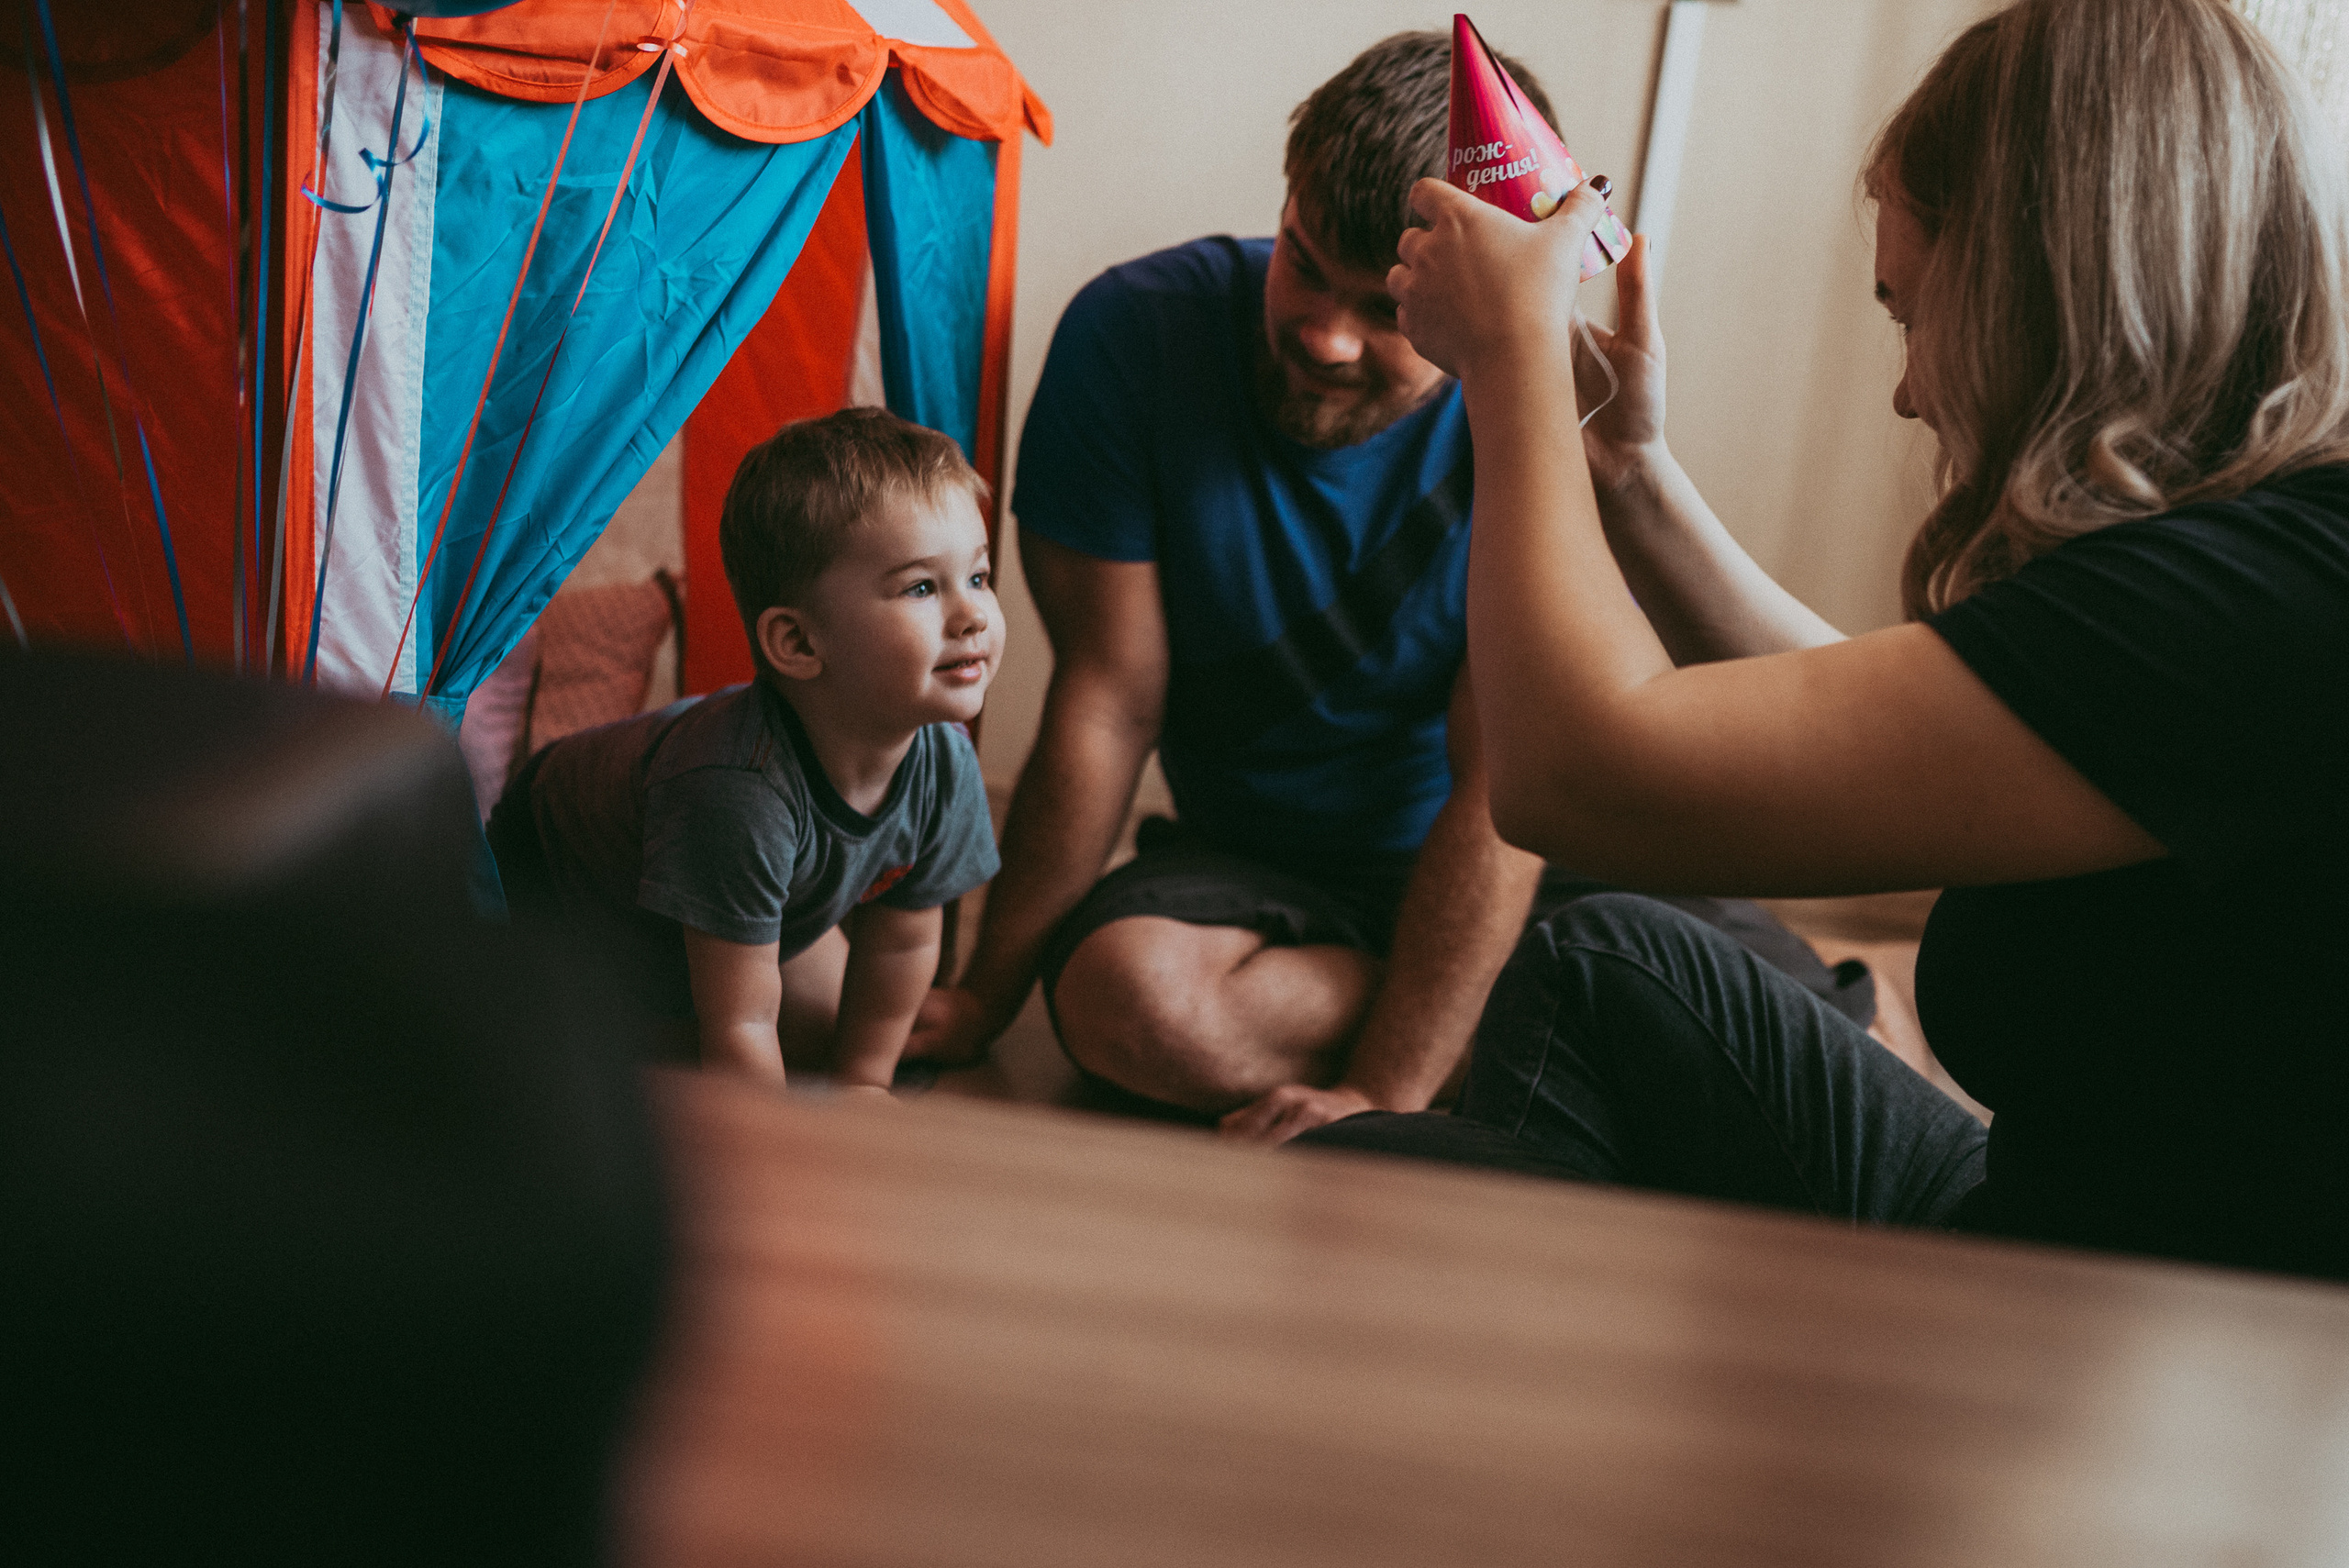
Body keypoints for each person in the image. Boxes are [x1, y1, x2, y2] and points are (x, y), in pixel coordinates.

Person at [1305, 0, 2349, 1280]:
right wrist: (1628, 470)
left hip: (2106, 1334)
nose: (1909, 388)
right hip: (2024, 1213)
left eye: (1908, 316)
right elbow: (1898, 722)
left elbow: (1570, 775)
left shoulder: (2262, 607)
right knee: (1604, 953)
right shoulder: (2255, 547)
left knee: (1359, 1179)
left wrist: (1511, 359)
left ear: (2040, 283)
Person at [910, 29, 1869, 1142]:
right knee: (1126, 1002)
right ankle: (1563, 1040)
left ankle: (1509, 1018)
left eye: (1385, 307)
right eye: (1303, 261)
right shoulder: (1133, 334)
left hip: (1522, 858)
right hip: (1263, 870)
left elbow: (1501, 785)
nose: (1322, 335)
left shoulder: (1538, 410)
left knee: (1838, 1064)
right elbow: (1106, 697)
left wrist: (1382, 1091)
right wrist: (986, 991)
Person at [488, 408, 1002, 1090]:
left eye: (977, 577)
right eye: (920, 587)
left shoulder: (944, 758)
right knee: (640, 1089)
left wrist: (864, 1086)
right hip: (552, 898)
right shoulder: (737, 790)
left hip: (711, 880)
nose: (971, 616)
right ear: (797, 643)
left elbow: (903, 941)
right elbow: (740, 1025)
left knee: (821, 1043)